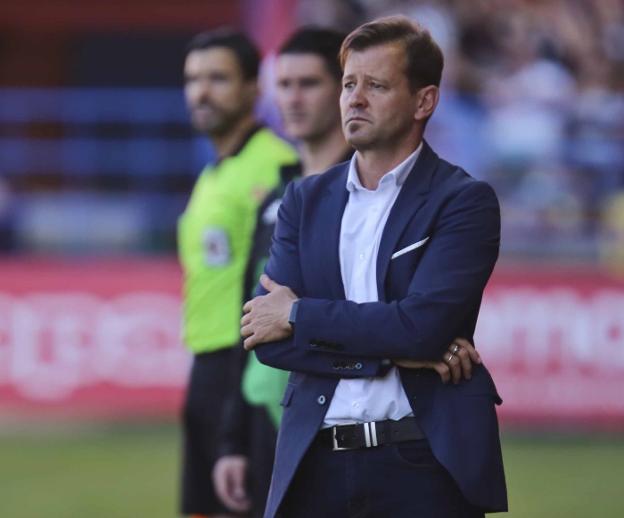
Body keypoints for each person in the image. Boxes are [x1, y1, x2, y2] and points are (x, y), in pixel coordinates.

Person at [241, 16, 507, 518]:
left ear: (423, 101)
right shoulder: (303, 199)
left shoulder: (463, 202)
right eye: (348, 84)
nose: (354, 99)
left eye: (376, 86)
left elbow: (422, 328)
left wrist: (301, 316)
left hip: (422, 465)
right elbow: (266, 338)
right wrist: (396, 351)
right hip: (314, 465)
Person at [211, 27, 353, 518]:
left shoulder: (369, 193)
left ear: (343, 89)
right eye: (284, 84)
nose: (292, 98)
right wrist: (231, 438)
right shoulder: (276, 196)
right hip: (263, 414)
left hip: (335, 418)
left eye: (308, 83)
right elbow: (245, 319)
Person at [177, 28, 297, 518]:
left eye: (218, 78)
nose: (201, 92)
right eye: (193, 80)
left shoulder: (280, 169)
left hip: (245, 365)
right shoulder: (213, 173)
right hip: (205, 364)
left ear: (253, 87)